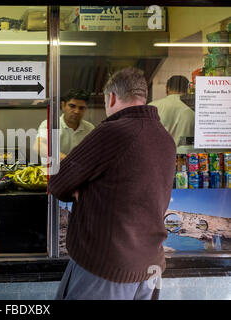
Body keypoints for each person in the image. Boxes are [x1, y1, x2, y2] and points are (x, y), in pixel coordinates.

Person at [48, 67, 176, 300]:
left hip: (107, 268)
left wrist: (82, 190)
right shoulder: (165, 138)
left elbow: (57, 182)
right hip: (150, 266)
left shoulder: (112, 131)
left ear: (112, 97)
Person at [33, 89, 95, 161]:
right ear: (63, 106)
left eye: (81, 108)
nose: (77, 111)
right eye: (72, 106)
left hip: (79, 170)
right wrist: (67, 160)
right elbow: (38, 146)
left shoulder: (90, 128)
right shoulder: (49, 124)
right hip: (52, 170)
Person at [149, 75, 194, 151]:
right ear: (188, 90)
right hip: (182, 157)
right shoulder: (193, 111)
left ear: (167, 89)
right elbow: (189, 141)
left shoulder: (152, 107)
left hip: (158, 156)